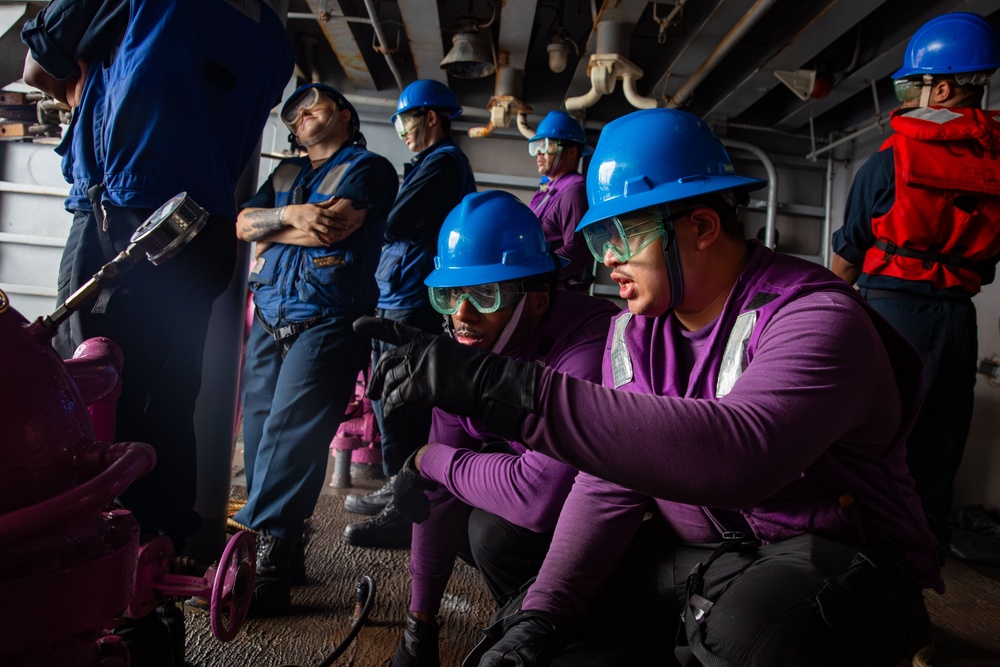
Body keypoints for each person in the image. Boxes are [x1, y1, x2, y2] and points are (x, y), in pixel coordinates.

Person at [367, 108, 942, 666]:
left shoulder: (815, 318)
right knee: (529, 631)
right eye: (600, 241)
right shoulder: (633, 332)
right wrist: (546, 613)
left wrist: (505, 388)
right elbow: (610, 484)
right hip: (706, 552)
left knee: (751, 634)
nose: (609, 261)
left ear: (702, 226)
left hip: (837, 555)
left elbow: (741, 455)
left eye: (623, 235)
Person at [21, 2, 293, 664]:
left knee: (87, 405)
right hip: (202, 235)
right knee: (169, 405)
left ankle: (81, 601)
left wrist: (86, 89)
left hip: (123, 216)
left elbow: (39, 64)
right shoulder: (272, 36)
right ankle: (151, 608)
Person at [354, 190, 619, 666]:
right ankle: (529, 615)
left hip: (620, 533)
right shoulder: (467, 348)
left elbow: (539, 498)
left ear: (537, 299)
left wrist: (425, 459)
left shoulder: (588, 345)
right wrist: (420, 627)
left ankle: (569, 632)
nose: (461, 314)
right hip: (543, 502)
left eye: (484, 294)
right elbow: (435, 493)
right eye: (450, 293)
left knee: (492, 530)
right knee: (451, 508)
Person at [831, 12, 1000, 549]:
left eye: (912, 83)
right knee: (941, 440)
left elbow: (848, 254)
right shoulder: (997, 168)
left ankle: (860, 551)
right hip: (958, 319)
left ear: (944, 87)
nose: (904, 94)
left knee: (870, 435)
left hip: (890, 313)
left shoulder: (889, 161)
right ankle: (922, 553)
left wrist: (828, 317)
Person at [230, 83, 399, 614]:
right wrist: (294, 215)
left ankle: (267, 570)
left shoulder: (368, 169)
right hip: (272, 317)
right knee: (258, 436)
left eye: (313, 107)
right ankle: (287, 551)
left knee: (290, 433)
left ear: (345, 114)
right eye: (295, 114)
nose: (303, 117)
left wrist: (280, 225)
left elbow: (334, 228)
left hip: (328, 318)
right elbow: (241, 225)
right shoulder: (283, 176)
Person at [344, 79, 476, 549]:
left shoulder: (442, 163)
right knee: (391, 399)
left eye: (405, 119)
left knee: (402, 401)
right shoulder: (430, 164)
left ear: (432, 118)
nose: (400, 129)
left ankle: (407, 512)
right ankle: (397, 486)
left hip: (412, 296)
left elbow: (397, 220)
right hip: (400, 288)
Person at [527, 111, 594, 292]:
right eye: (536, 146)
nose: (538, 153)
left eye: (547, 146)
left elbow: (580, 250)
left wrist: (535, 272)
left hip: (556, 294)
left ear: (571, 150)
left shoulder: (574, 191)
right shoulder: (547, 189)